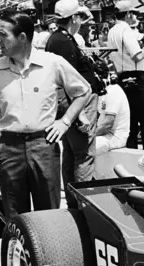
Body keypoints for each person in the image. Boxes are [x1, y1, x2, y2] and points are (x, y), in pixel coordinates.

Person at [0, 11, 91, 221]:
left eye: (3, 35)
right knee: (14, 217)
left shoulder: (52, 63)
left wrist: (64, 122)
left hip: (44, 145)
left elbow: (83, 91)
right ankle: (18, 254)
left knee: (49, 215)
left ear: (22, 38)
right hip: (9, 149)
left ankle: (49, 254)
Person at [46, 0, 104, 206]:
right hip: (78, 104)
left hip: (73, 105)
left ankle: (74, 204)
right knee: (84, 155)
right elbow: (67, 82)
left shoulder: (59, 38)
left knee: (71, 155)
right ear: (74, 18)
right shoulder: (63, 41)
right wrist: (78, 113)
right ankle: (84, 205)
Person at [108, 0, 144, 148]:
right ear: (128, 14)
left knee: (131, 122)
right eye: (133, 12)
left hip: (122, 78)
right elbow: (137, 56)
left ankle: (130, 157)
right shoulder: (125, 30)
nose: (134, 15)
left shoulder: (111, 31)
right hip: (137, 78)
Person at [95, 67, 131, 155]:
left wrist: (89, 136)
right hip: (104, 135)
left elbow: (107, 125)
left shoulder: (112, 91)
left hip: (114, 137)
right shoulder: (102, 91)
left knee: (82, 149)